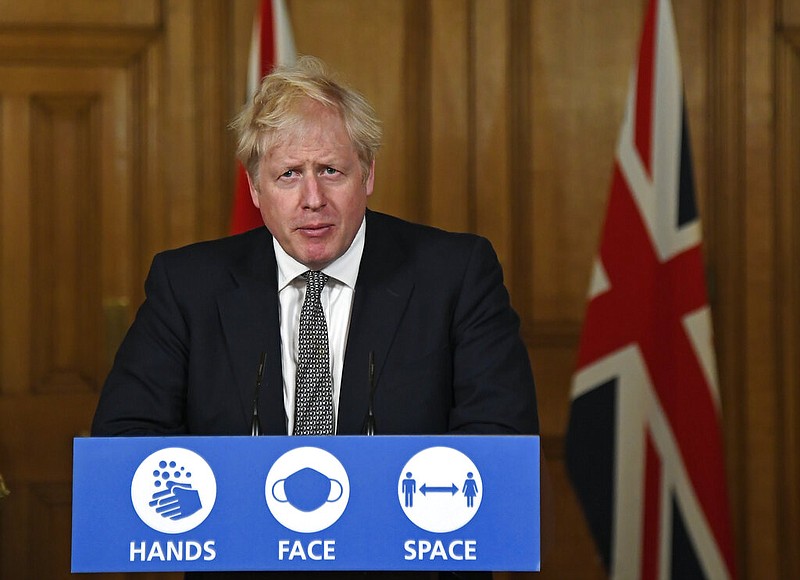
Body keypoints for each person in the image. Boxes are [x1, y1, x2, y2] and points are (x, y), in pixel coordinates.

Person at [92, 56, 539, 578]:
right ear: (256, 190)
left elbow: (499, 440)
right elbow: (125, 440)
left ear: (368, 174)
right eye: (288, 175)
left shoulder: (455, 274)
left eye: (331, 170)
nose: (312, 199)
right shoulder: (188, 286)